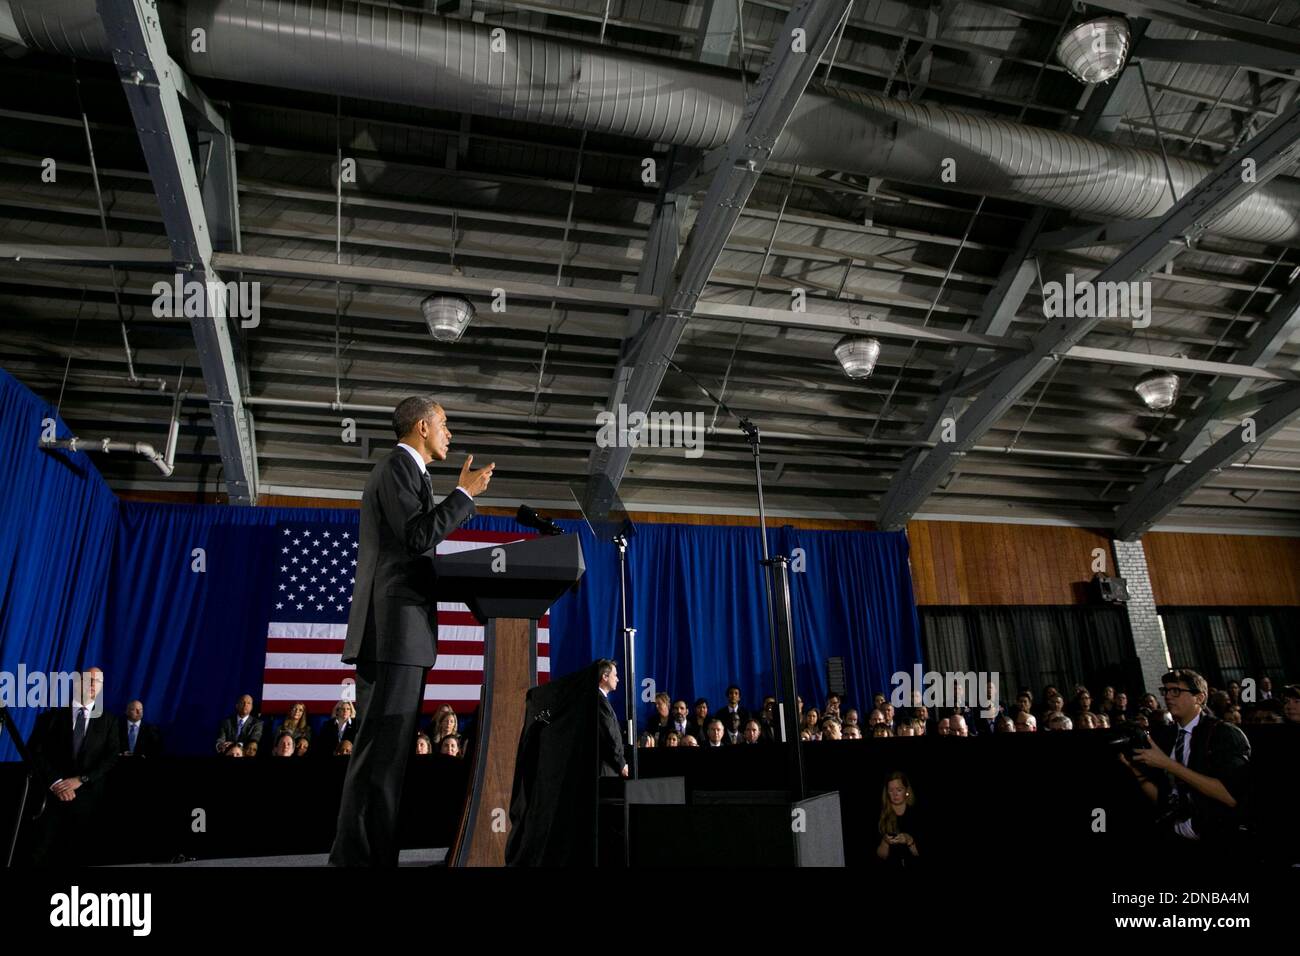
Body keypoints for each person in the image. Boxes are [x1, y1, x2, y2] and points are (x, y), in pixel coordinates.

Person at [329, 395, 491, 867]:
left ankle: (373, 857)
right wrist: (462, 495)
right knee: (379, 755)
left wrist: (461, 501)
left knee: (388, 757)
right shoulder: (398, 467)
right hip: (392, 634)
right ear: (421, 427)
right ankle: (357, 861)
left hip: (403, 635)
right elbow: (418, 536)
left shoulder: (411, 473)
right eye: (444, 423)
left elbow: (419, 541)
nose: (450, 433)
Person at [1120, 668, 1251, 859]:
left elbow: (1231, 796)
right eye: (1165, 691)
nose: (1168, 697)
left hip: (1219, 842)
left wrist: (1168, 764)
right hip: (1175, 838)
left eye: (1176, 691)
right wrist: (1136, 771)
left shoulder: (1223, 733)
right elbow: (1165, 800)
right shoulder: (1165, 737)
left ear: (1199, 698)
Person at [28, 667, 121, 865]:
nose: (93, 684)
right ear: (77, 682)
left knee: (78, 856)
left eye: (98, 681)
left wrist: (81, 780)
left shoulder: (110, 722)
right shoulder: (49, 718)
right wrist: (57, 782)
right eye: (89, 679)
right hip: (51, 798)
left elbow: (111, 758)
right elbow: (36, 753)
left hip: (88, 802)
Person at [876, 772, 922, 869]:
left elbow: (917, 853)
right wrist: (885, 841)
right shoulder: (882, 815)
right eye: (891, 790)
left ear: (906, 790)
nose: (895, 794)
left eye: (899, 790)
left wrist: (909, 840)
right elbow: (881, 856)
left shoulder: (917, 813)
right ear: (887, 792)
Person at [596, 659, 629, 777]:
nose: (618, 679)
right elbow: (609, 735)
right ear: (605, 676)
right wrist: (621, 764)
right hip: (606, 768)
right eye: (615, 675)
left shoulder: (601, 699)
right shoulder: (599, 701)